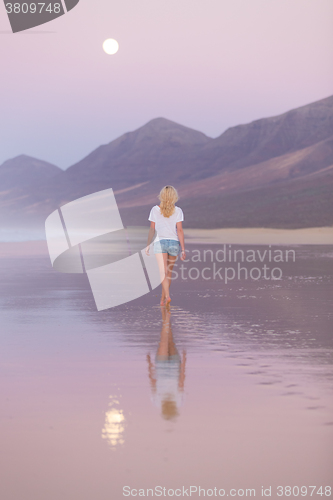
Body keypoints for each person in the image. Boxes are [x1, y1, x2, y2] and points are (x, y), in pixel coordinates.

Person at [145, 185, 186, 306]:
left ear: (162, 196)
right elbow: (180, 231)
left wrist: (148, 245)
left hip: (159, 243)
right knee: (169, 273)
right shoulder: (178, 210)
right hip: (174, 243)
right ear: (174, 196)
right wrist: (183, 249)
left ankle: (167, 296)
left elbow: (152, 229)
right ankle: (162, 300)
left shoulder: (154, 209)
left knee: (162, 272)